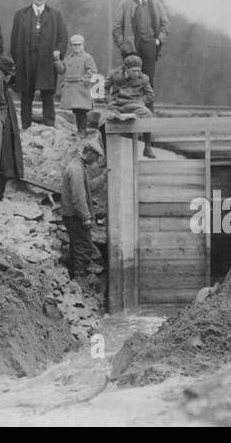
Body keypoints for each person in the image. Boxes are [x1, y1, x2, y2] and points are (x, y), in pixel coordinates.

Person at [9, 0, 68, 128]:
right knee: (26, 95)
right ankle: (25, 126)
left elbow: (63, 38)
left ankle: (49, 125)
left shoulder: (55, 15)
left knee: (47, 94)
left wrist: (58, 53)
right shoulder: (21, 14)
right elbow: (14, 41)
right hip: (26, 62)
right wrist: (19, 61)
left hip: (47, 62)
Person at [113, 0, 169, 90]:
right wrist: (122, 44)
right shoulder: (126, 3)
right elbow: (117, 26)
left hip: (150, 43)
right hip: (131, 44)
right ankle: (129, 103)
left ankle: (148, 106)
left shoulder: (156, 4)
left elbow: (165, 25)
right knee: (130, 75)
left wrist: (158, 40)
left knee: (148, 77)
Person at [61, 140, 104, 278]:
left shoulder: (78, 166)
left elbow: (87, 187)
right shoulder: (76, 169)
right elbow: (78, 197)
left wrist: (103, 177)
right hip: (75, 216)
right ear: (89, 152)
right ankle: (79, 279)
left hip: (73, 215)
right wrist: (86, 217)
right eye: (96, 157)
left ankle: (74, 276)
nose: (96, 160)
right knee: (83, 247)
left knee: (77, 245)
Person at [104, 53, 156, 158]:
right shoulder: (114, 74)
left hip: (135, 104)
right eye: (134, 71)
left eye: (138, 70)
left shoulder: (143, 78)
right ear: (126, 69)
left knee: (148, 115)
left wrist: (141, 102)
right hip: (117, 103)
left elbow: (150, 95)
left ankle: (147, 147)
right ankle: (104, 150)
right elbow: (103, 88)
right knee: (103, 119)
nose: (137, 73)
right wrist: (109, 100)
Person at [56, 34, 98, 132]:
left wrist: (85, 79)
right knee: (75, 110)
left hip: (81, 87)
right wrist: (57, 61)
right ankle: (79, 130)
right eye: (74, 45)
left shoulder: (87, 58)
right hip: (70, 87)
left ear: (83, 45)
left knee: (82, 110)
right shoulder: (68, 58)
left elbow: (92, 71)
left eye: (79, 45)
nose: (77, 47)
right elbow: (62, 70)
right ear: (71, 46)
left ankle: (82, 130)